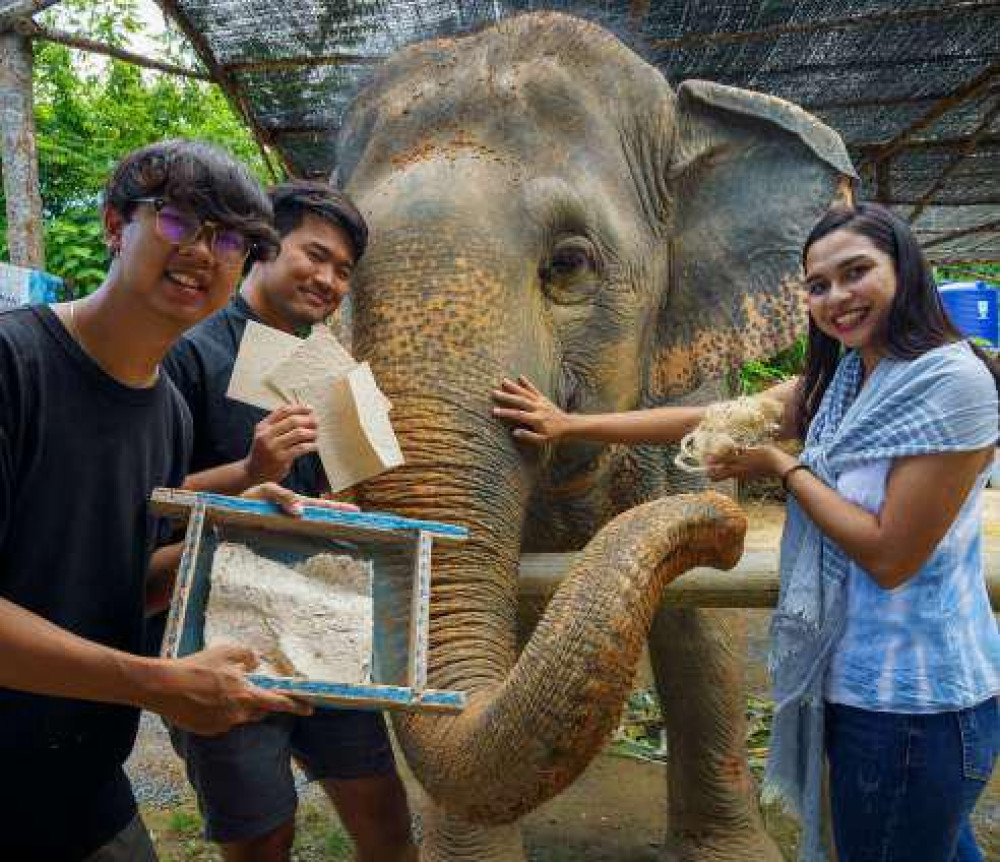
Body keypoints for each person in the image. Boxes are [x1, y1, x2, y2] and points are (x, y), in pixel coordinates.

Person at [492, 202, 1000, 862]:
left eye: (855, 273)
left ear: (905, 269)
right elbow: (711, 416)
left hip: (918, 704)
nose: (837, 297)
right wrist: (570, 427)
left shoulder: (950, 381)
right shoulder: (847, 377)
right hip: (853, 681)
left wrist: (780, 468)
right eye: (818, 285)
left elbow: (890, 555)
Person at [0, 139, 326, 861]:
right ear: (117, 226)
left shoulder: (165, 410)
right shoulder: (13, 366)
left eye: (232, 239)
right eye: (180, 222)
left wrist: (239, 538)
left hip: (81, 778)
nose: (206, 252)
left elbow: (119, 581)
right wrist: (155, 683)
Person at [162, 179, 416, 862]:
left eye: (343, 271)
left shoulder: (329, 365)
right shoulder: (189, 351)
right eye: (316, 255)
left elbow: (324, 496)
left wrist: (340, 512)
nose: (330, 279)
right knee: (262, 835)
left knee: (387, 820)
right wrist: (248, 471)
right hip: (220, 636)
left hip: (324, 618)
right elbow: (147, 500)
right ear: (263, 248)